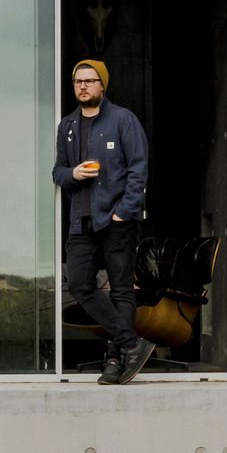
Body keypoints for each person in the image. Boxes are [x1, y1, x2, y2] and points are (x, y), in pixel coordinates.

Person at [51, 59, 156, 384]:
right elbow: (57, 172)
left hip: (117, 221)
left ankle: (114, 360)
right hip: (80, 222)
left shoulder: (123, 120)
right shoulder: (67, 126)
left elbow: (139, 169)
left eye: (89, 81)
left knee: (121, 290)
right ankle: (131, 344)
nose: (83, 86)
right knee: (80, 285)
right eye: (78, 81)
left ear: (102, 85)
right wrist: (73, 173)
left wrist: (124, 211)